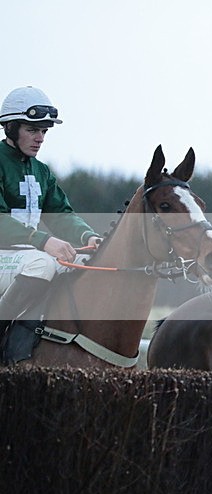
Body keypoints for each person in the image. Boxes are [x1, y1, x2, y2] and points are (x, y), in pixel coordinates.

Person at [0, 86, 101, 342]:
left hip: (26, 255)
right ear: (11, 128)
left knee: (86, 264)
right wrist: (44, 241)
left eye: (44, 131)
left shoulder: (42, 171)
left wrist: (88, 237)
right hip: (8, 256)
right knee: (42, 263)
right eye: (32, 129)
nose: (40, 138)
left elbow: (62, 215)